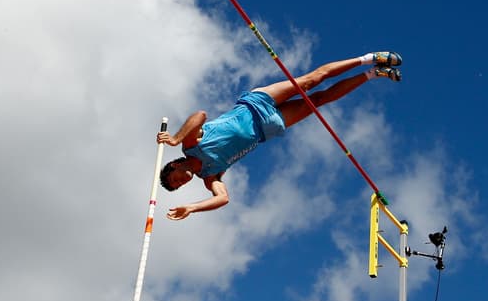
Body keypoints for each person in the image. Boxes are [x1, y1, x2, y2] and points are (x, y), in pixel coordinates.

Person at [157, 51, 402, 220]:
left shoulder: (189, 146)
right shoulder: (209, 176)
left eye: (175, 179)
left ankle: (369, 59)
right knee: (320, 100)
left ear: (174, 166)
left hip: (255, 104)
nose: (181, 183)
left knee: (310, 81)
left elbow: (199, 115)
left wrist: (177, 138)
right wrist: (191, 207)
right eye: (178, 187)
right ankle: (374, 74)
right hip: (269, 128)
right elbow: (223, 199)